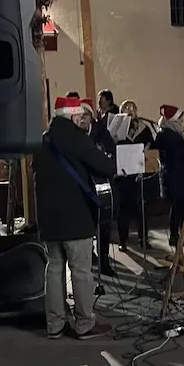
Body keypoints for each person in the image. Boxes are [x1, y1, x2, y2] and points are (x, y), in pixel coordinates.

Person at [34, 95, 115, 339]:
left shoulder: (42, 140)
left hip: (48, 220)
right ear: (70, 116)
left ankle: (55, 324)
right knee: (80, 271)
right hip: (75, 218)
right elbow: (106, 167)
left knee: (54, 269)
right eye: (79, 115)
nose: (82, 118)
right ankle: (84, 324)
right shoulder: (76, 138)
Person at [152, 105, 184, 247]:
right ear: (172, 120)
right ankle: (174, 235)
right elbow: (180, 152)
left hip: (182, 174)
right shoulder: (165, 134)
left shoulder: (178, 133)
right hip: (173, 176)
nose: (182, 121)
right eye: (179, 119)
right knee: (177, 206)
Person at [114, 100, 158, 250]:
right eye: (125, 107)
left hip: (139, 175)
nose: (129, 110)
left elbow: (152, 145)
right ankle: (123, 241)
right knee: (124, 210)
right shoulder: (117, 128)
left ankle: (143, 238)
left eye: (132, 107)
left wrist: (147, 149)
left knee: (142, 208)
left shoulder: (144, 128)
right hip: (123, 176)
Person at [80, 99, 117, 276]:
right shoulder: (75, 134)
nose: (83, 119)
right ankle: (88, 258)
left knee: (104, 223)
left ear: (92, 117)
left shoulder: (101, 132)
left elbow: (110, 154)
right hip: (82, 185)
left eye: (86, 115)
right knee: (86, 224)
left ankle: (104, 260)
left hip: (102, 184)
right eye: (80, 115)